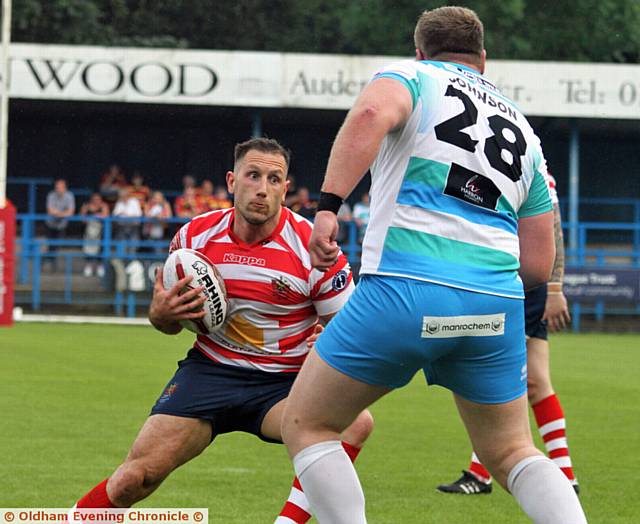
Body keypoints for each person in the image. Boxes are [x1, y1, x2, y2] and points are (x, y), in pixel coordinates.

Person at [280, 7, 586, 524]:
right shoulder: (524, 131)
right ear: (483, 59)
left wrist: (328, 206)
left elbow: (372, 115)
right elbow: (539, 264)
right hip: (494, 309)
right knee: (512, 452)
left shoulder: (412, 76)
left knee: (307, 423)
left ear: (420, 50)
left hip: (405, 290)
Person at [72, 138, 373, 524]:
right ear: (232, 181)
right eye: (253, 175)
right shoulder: (193, 240)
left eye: (273, 178)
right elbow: (168, 323)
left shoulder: (312, 246)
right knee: (134, 478)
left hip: (286, 383)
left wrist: (328, 338)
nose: (262, 188)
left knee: (355, 422)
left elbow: (348, 331)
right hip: (211, 371)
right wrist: (159, 314)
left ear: (285, 188)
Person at [437, 172, 579, 495]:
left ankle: (484, 474)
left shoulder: (531, 167)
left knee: (491, 375)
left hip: (517, 282)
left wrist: (555, 288)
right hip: (510, 280)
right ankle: (563, 473)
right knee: (535, 381)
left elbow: (553, 228)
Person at [45, 179, 75, 267]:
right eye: (57, 187)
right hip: (50, 224)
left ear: (65, 187)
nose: (58, 189)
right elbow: (50, 211)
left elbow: (71, 212)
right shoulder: (51, 195)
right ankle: (50, 262)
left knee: (57, 244)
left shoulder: (69, 196)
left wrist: (59, 214)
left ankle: (51, 261)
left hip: (62, 225)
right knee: (51, 244)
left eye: (60, 187)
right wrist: (63, 213)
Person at [80, 192, 110, 277]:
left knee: (100, 248)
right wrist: (92, 217)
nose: (96, 201)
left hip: (100, 232)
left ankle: (100, 267)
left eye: (98, 199)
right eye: (94, 199)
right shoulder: (86, 206)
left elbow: (106, 216)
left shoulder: (104, 206)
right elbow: (82, 218)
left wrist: (98, 215)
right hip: (89, 232)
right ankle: (88, 266)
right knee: (88, 248)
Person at [112, 188, 143, 255]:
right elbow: (114, 214)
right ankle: (123, 262)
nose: (121, 198)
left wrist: (127, 215)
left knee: (133, 246)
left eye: (123, 196)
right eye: (120, 196)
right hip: (122, 227)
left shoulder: (134, 201)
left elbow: (139, 214)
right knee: (121, 246)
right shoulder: (119, 203)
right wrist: (121, 214)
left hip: (133, 227)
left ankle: (131, 261)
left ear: (127, 195)